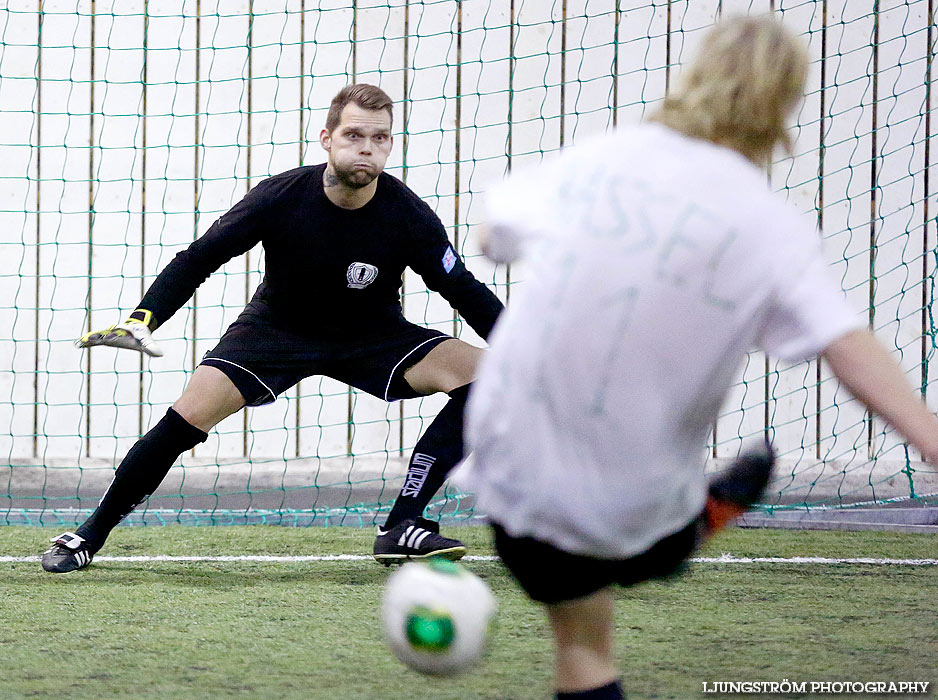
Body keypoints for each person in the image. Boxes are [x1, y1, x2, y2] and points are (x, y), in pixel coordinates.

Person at [463, 16, 938, 700]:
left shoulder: (605, 157)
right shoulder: (771, 226)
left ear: (694, 76)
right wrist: (929, 438)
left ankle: (681, 527)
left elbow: (491, 236)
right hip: (630, 495)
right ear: (781, 106)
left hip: (509, 463)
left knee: (579, 627)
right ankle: (688, 526)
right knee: (623, 553)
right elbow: (846, 345)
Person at [41, 83, 503, 574]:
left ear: (390, 144)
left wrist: (526, 350)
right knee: (184, 419)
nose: (366, 146)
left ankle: (402, 525)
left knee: (491, 377)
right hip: (276, 331)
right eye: (353, 135)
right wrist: (143, 319)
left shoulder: (407, 214)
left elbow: (464, 289)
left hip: (371, 333)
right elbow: (200, 257)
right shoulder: (281, 196)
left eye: (380, 137)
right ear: (326, 138)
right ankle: (89, 533)